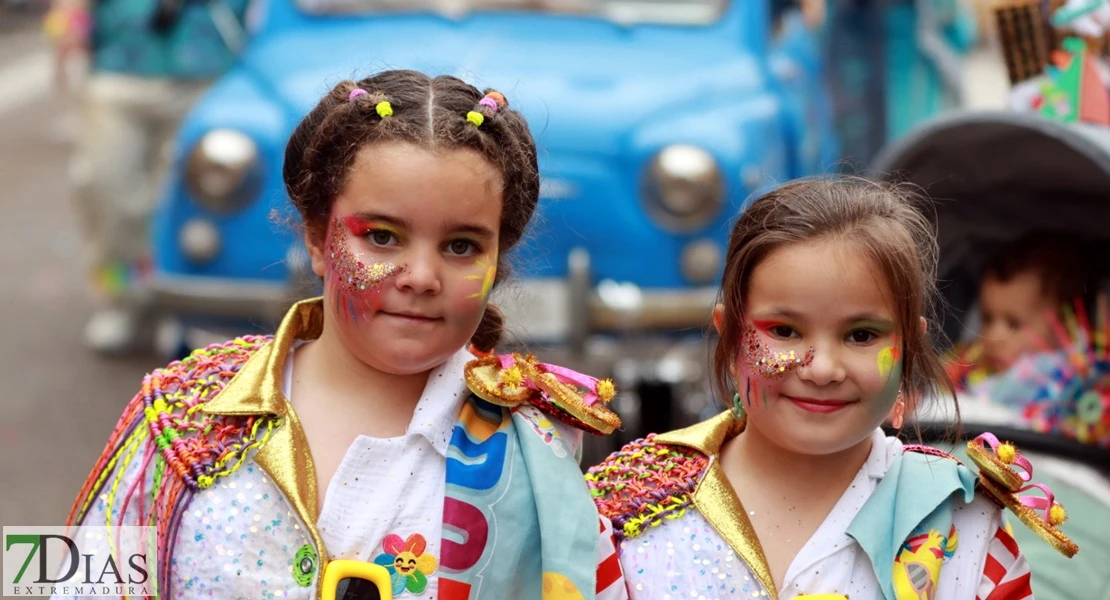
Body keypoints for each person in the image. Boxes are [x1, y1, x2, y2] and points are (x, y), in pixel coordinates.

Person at [59, 71, 628, 599]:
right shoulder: (178, 412)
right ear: (314, 237)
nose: (423, 278)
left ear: (497, 257)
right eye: (382, 237)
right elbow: (64, 581)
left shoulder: (539, 448)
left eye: (461, 247)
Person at [587, 178, 1077, 599]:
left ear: (910, 347)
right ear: (731, 333)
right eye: (784, 331)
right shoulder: (625, 511)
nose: (822, 368)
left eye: (861, 335)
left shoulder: (965, 523)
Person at [46, 0, 250, 353]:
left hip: (206, 66)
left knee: (197, 196)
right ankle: (123, 297)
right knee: (105, 188)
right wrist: (69, 27)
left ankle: (184, 306)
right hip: (119, 66)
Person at [947, 231, 1098, 390]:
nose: (992, 337)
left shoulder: (1072, 386)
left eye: (1014, 324)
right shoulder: (970, 364)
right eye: (987, 319)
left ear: (1067, 330)